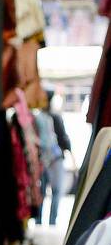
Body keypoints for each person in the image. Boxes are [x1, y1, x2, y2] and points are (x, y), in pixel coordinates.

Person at [43, 91, 73, 226]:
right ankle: (52, 221)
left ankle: (38, 220)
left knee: (42, 190)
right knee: (56, 191)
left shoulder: (38, 116)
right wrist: (70, 152)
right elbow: (64, 138)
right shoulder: (55, 117)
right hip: (56, 158)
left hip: (42, 158)